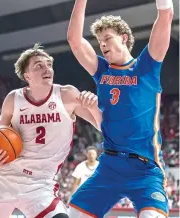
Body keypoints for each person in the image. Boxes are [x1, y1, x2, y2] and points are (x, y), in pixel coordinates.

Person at [0, 43, 102, 218]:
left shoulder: (67, 95)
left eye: (49, 65)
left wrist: (95, 108)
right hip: (6, 179)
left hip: (39, 184)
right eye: (39, 66)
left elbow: (103, 126)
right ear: (26, 75)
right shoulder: (14, 99)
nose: (47, 69)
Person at [67, 0, 174, 217]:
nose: (102, 45)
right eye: (99, 41)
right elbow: (74, 40)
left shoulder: (146, 66)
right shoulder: (101, 70)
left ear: (124, 38)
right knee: (74, 213)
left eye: (107, 38)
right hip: (110, 165)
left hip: (146, 168)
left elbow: (166, 15)